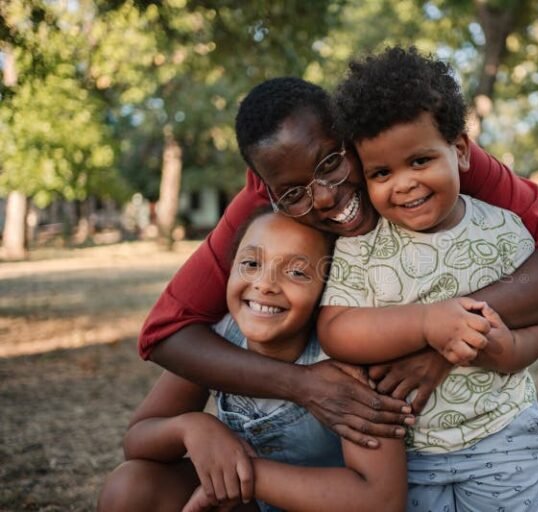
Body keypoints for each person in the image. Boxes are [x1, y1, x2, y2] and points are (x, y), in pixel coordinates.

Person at [137, 75, 538, 451]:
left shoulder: (428, 156)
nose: (325, 196)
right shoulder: (267, 199)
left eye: (333, 163)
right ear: (270, 190)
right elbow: (165, 334)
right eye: (295, 193)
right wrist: (301, 385)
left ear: (352, 138)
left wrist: (443, 338)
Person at [318, 46, 538, 510]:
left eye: (420, 161)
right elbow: (335, 328)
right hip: (412, 455)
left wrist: (512, 352)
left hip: (504, 439)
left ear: (461, 152)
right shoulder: (363, 244)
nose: (403, 183)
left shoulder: (504, 228)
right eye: (381, 172)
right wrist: (427, 323)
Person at [98, 209, 407, 512]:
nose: (265, 284)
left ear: (327, 291)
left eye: (297, 272)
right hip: (246, 504)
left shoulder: (348, 359)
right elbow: (136, 440)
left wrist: (249, 474)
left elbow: (380, 499)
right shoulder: (216, 340)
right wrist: (191, 427)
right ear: (229, 270)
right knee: (130, 487)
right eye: (251, 263)